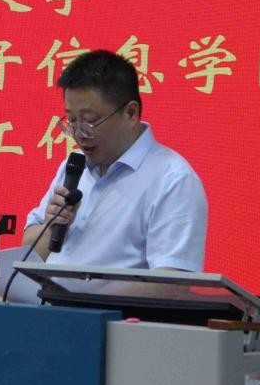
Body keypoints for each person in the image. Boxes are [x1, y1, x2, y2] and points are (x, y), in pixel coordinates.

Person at [24, 50, 208, 271]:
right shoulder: (73, 168)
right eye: (71, 121)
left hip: (99, 296)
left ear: (131, 113)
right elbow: (26, 253)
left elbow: (171, 283)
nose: (79, 134)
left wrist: (78, 288)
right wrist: (51, 226)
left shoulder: (173, 179)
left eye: (89, 121)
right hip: (46, 294)